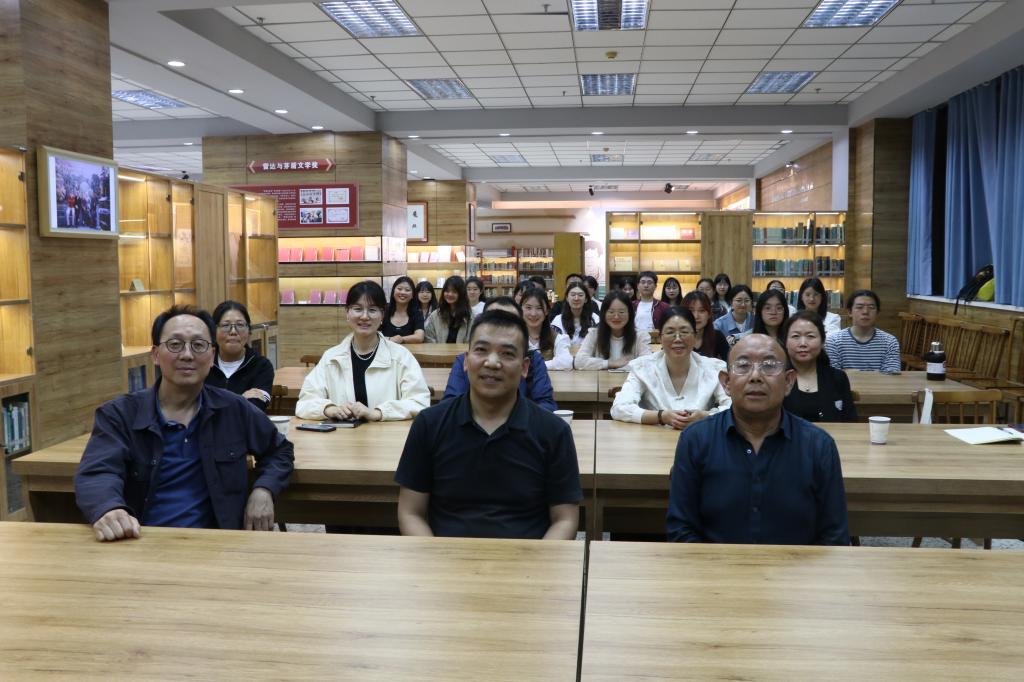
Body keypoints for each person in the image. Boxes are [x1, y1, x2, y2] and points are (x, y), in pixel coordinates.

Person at [75, 305, 294, 541]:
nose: (187, 355)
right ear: (155, 354)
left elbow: (280, 450)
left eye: (198, 345)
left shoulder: (234, 409)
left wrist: (264, 489)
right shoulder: (120, 415)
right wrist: (108, 507)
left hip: (219, 544)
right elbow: (98, 472)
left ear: (212, 356)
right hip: (141, 542)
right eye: (175, 344)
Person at [395, 310, 582, 539]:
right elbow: (410, 513)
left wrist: (539, 560)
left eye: (507, 354)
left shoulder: (553, 431)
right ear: (466, 361)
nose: (492, 362)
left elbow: (565, 519)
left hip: (529, 557)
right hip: (445, 555)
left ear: (525, 367)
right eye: (481, 350)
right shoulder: (429, 424)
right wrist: (434, 556)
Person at [666, 334, 850, 545]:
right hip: (713, 565)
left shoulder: (819, 445)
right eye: (743, 366)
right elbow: (681, 529)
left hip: (797, 565)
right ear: (726, 382)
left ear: (789, 382)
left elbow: (834, 536)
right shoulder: (696, 440)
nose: (755, 376)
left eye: (769, 366)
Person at [296, 280, 431, 421]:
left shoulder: (401, 357)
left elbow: (419, 402)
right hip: (341, 435)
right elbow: (305, 402)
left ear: (382, 315)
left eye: (372, 310)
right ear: (347, 313)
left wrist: (378, 413)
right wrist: (330, 409)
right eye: (358, 309)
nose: (365, 316)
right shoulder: (331, 358)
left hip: (387, 434)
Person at [611, 307, 731, 428]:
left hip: (699, 437)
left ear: (695, 336)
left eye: (684, 332)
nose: (678, 339)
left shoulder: (714, 368)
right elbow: (620, 408)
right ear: (660, 338)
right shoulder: (642, 367)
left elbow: (733, 408)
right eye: (670, 332)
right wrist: (661, 416)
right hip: (655, 438)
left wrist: (704, 417)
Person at [443, 296, 558, 411]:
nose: (500, 327)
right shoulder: (466, 360)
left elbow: (547, 405)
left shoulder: (533, 360)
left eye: (509, 322)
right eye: (493, 319)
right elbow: (449, 405)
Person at [784, 311, 858, 422]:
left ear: (822, 341)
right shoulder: (777, 378)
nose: (803, 343)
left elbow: (851, 422)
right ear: (785, 341)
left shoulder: (837, 377)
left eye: (810, 336)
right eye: (796, 336)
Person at [204, 300, 274, 411]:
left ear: (249, 331)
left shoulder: (261, 366)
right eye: (225, 325)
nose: (233, 332)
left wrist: (215, 403)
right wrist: (241, 399)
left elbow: (255, 409)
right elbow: (194, 406)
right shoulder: (203, 363)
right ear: (214, 331)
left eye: (240, 325)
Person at [824, 289, 901, 374]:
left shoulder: (890, 342)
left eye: (871, 308)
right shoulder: (834, 341)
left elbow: (891, 375)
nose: (865, 312)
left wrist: (849, 372)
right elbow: (832, 375)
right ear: (850, 312)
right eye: (859, 307)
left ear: (877, 313)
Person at [574, 290, 652, 370]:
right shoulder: (594, 334)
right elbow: (579, 361)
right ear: (604, 314)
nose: (616, 317)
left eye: (621, 312)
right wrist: (610, 363)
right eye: (611, 312)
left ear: (630, 314)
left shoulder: (640, 336)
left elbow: (648, 363)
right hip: (602, 378)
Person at [521, 288, 573, 371]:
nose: (533, 313)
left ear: (547, 311)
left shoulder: (557, 338)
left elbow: (566, 363)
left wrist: (532, 365)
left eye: (539, 308)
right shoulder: (513, 337)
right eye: (528, 307)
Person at [682, 291, 730, 361]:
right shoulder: (677, 338)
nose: (696, 316)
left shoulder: (717, 336)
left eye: (701, 311)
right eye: (691, 311)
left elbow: (729, 363)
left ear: (709, 314)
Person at [424, 275, 473, 344]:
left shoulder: (470, 315)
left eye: (454, 291)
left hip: (462, 351)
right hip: (439, 350)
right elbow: (428, 337)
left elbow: (471, 340)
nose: (450, 294)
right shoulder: (436, 315)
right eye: (447, 291)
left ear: (461, 294)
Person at [551, 281, 598, 346]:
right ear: (567, 298)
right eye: (573, 295)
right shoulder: (558, 321)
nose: (576, 298)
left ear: (586, 299)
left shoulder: (595, 319)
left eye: (580, 295)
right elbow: (555, 344)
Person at [381, 276, 425, 344]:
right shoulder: (383, 311)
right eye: (399, 289)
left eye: (407, 290)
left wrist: (401, 339)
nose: (403, 292)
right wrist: (390, 339)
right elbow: (374, 335)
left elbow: (419, 337)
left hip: (409, 350)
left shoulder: (417, 313)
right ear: (393, 292)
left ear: (412, 295)